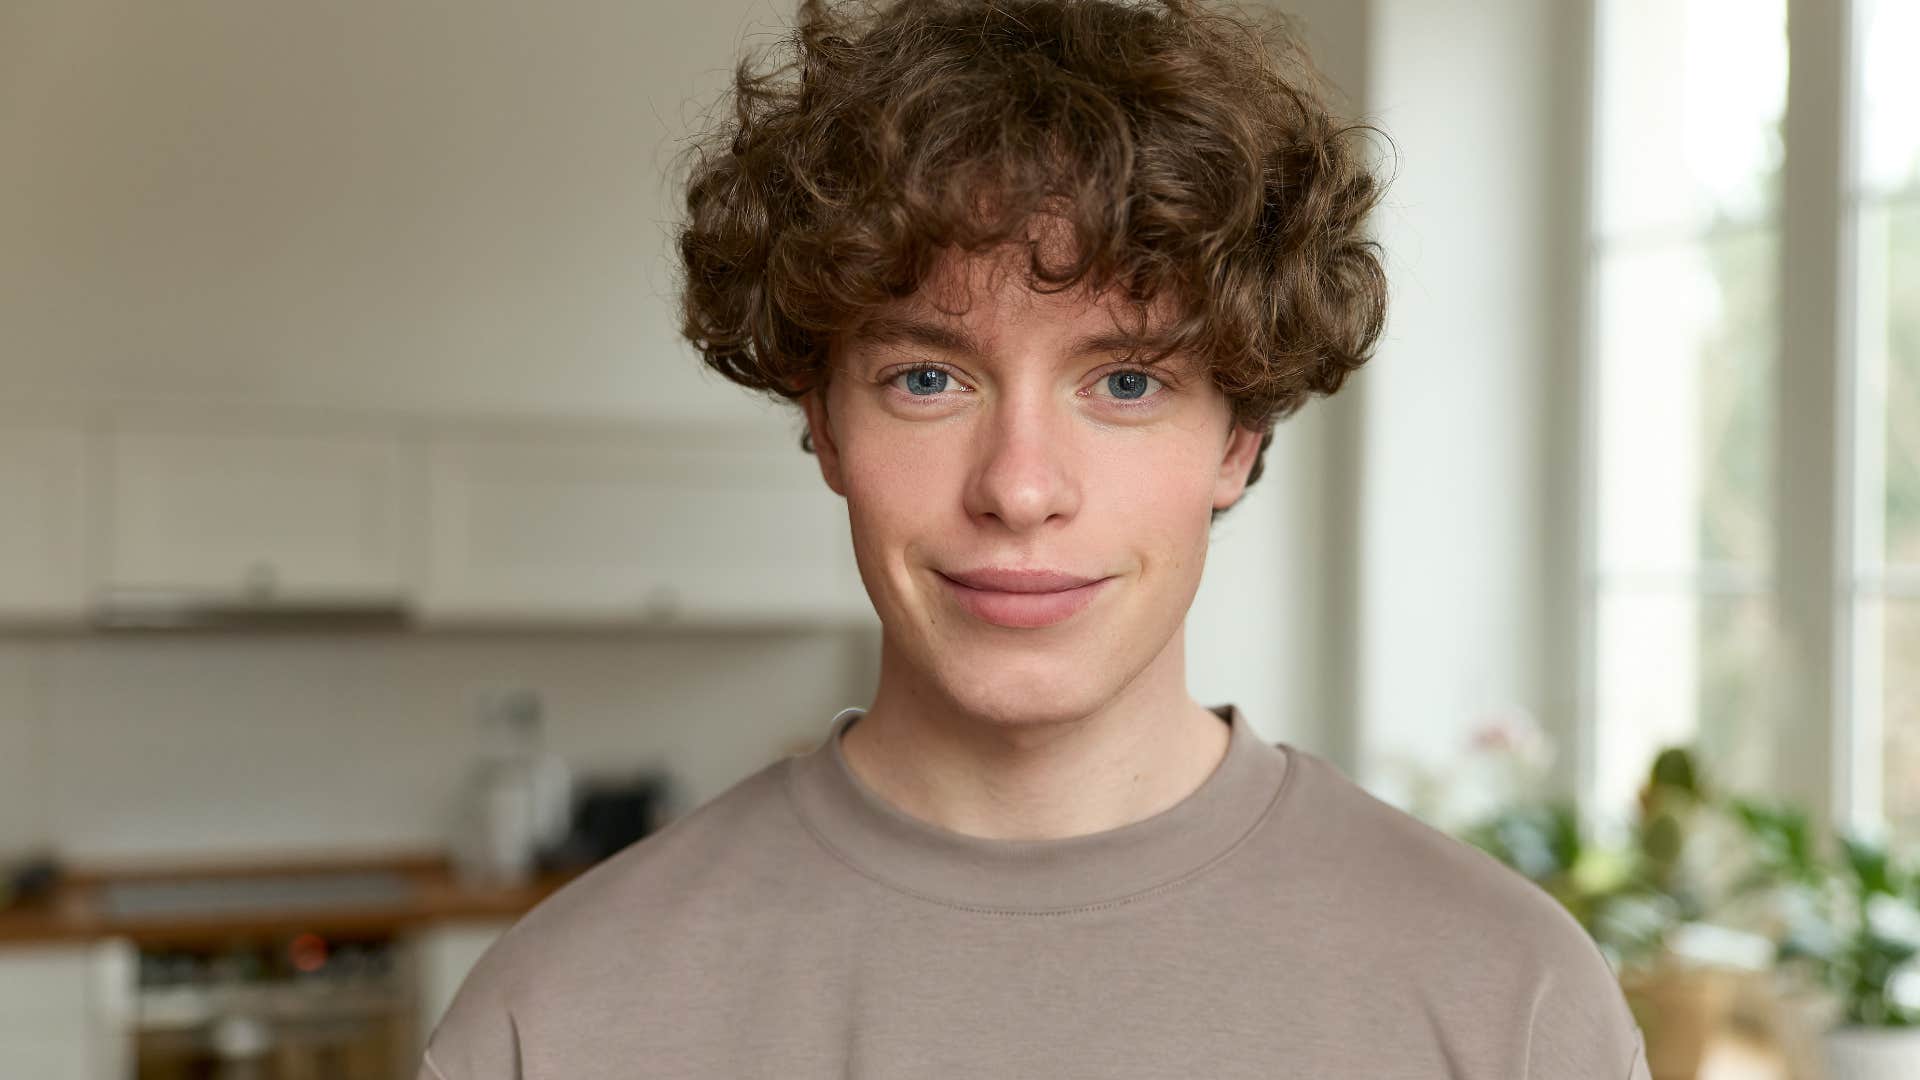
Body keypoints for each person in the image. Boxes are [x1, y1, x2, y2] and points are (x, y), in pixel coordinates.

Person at [418, 0, 1653, 1076]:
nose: (1019, 489)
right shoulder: (560, 1017)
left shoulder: (1510, 1001)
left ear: (1239, 438)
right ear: (826, 425)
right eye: (925, 379)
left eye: (1123, 384)